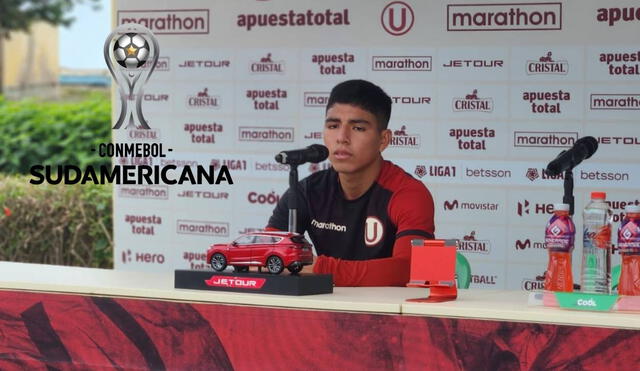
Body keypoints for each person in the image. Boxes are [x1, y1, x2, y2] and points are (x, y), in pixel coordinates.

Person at [267, 79, 435, 286]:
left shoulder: (407, 193)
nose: (342, 137)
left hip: (389, 313)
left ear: (383, 140)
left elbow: (409, 269)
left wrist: (320, 268)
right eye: (333, 125)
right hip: (327, 309)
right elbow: (265, 254)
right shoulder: (306, 191)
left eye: (358, 128)